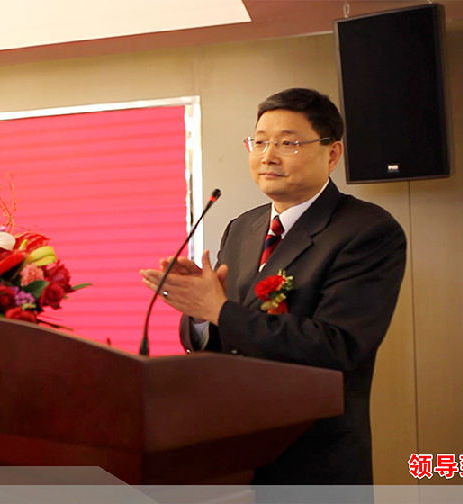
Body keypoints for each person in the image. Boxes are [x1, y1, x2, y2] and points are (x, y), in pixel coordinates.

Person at [140, 88, 406, 485]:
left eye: (288, 143)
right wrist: (200, 313)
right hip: (231, 451)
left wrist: (219, 310)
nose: (268, 156)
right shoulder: (242, 227)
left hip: (311, 459)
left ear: (332, 153)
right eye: (260, 142)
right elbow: (225, 338)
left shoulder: (366, 230)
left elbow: (338, 346)